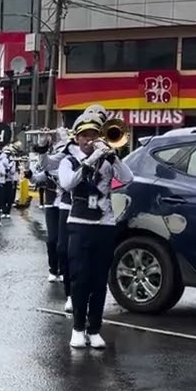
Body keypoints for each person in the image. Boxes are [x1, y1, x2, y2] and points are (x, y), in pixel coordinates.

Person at [56, 111, 133, 349]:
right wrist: (90, 160)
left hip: (105, 225)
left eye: (94, 135)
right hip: (80, 225)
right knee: (80, 278)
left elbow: (128, 178)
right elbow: (68, 183)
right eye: (85, 136)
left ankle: (95, 328)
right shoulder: (68, 161)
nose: (90, 140)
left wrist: (114, 156)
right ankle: (78, 328)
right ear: (77, 138)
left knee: (100, 280)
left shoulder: (108, 161)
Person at [30, 129, 75, 313]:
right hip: (54, 204)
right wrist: (29, 173)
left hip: (73, 206)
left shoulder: (75, 161)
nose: (60, 152)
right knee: (54, 241)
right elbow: (41, 171)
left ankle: (70, 280)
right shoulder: (54, 165)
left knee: (72, 248)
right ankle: (54, 270)